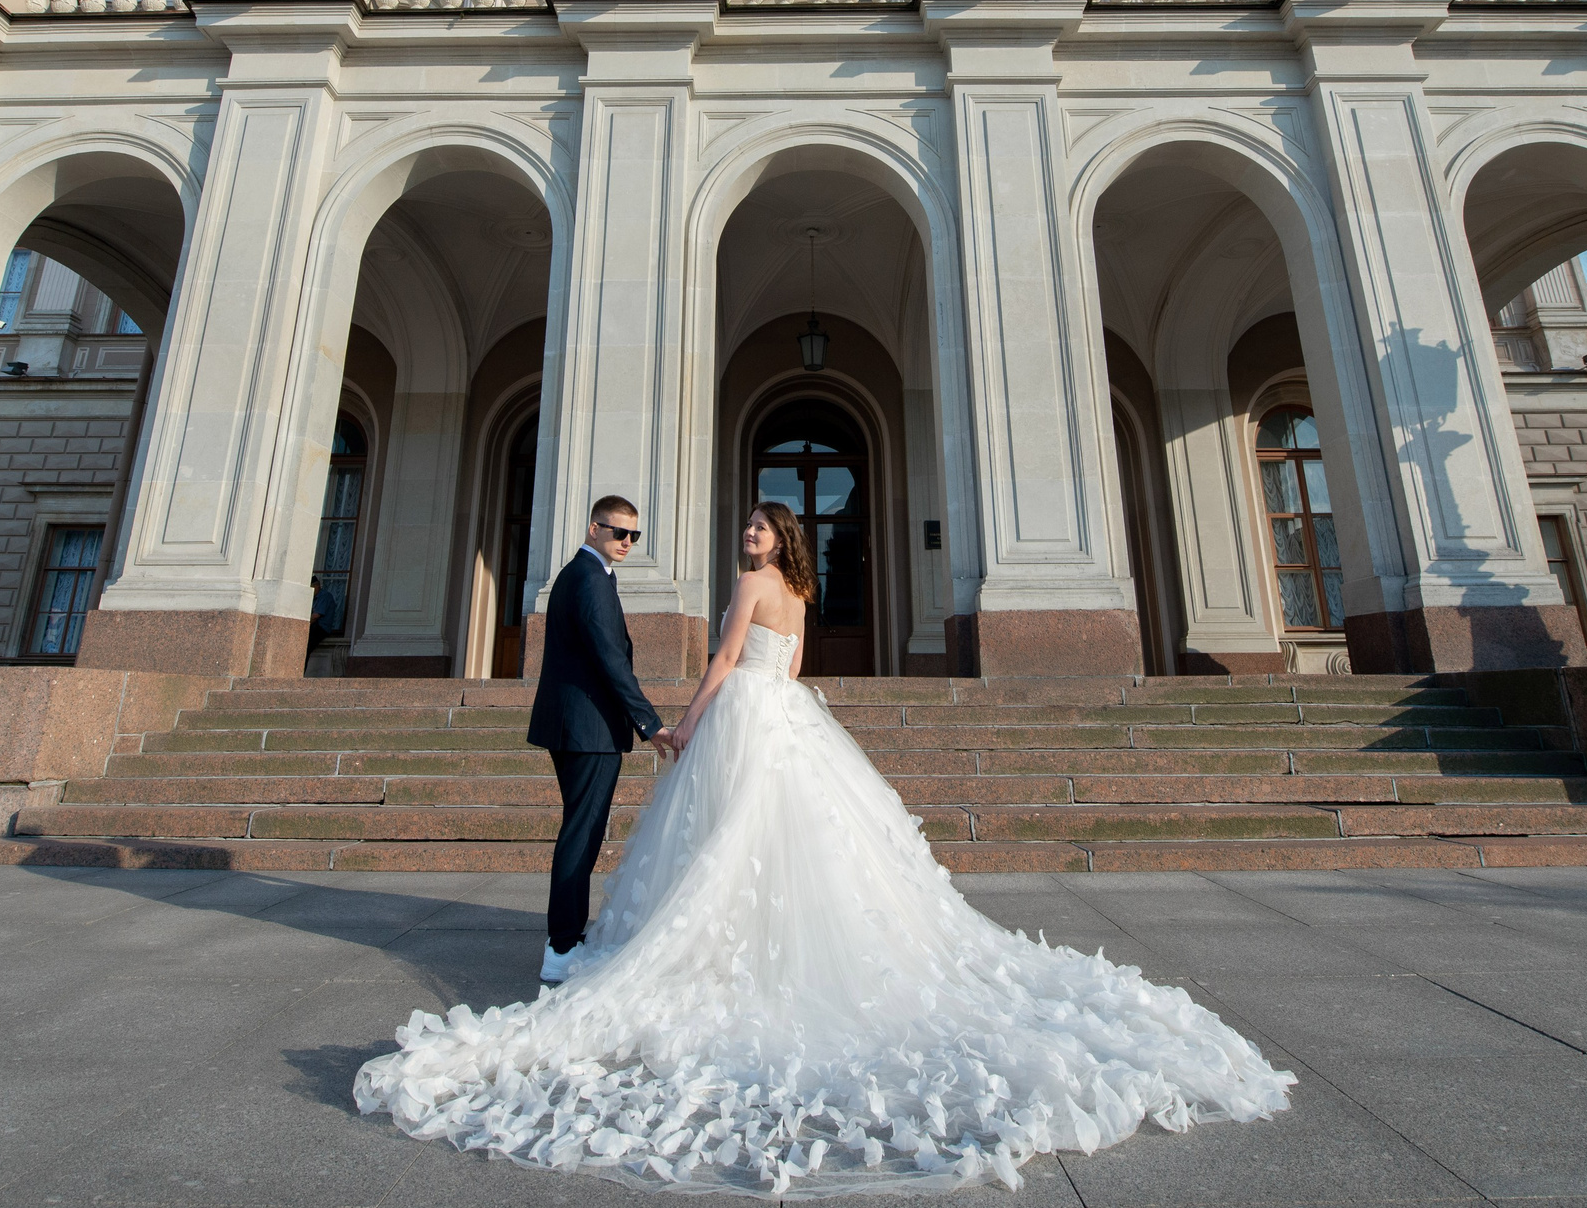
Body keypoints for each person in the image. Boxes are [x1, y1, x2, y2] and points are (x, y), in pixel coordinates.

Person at [356, 500, 1292, 1196]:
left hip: (741, 719)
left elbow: (726, 660)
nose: (751, 539)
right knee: (789, 842)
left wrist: (676, 727)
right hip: (792, 720)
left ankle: (654, 949)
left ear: (775, 541)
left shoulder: (754, 586)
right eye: (750, 531)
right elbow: (791, 666)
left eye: (761, 530)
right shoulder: (803, 592)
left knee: (725, 839)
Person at [522, 494, 673, 984]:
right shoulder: (587, 577)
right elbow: (610, 657)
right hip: (587, 729)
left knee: (580, 831)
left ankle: (566, 939)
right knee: (581, 835)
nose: (627, 543)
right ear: (594, 529)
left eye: (634, 535)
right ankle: (562, 947)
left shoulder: (588, 574)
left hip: (579, 724)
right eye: (617, 533)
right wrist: (649, 723)